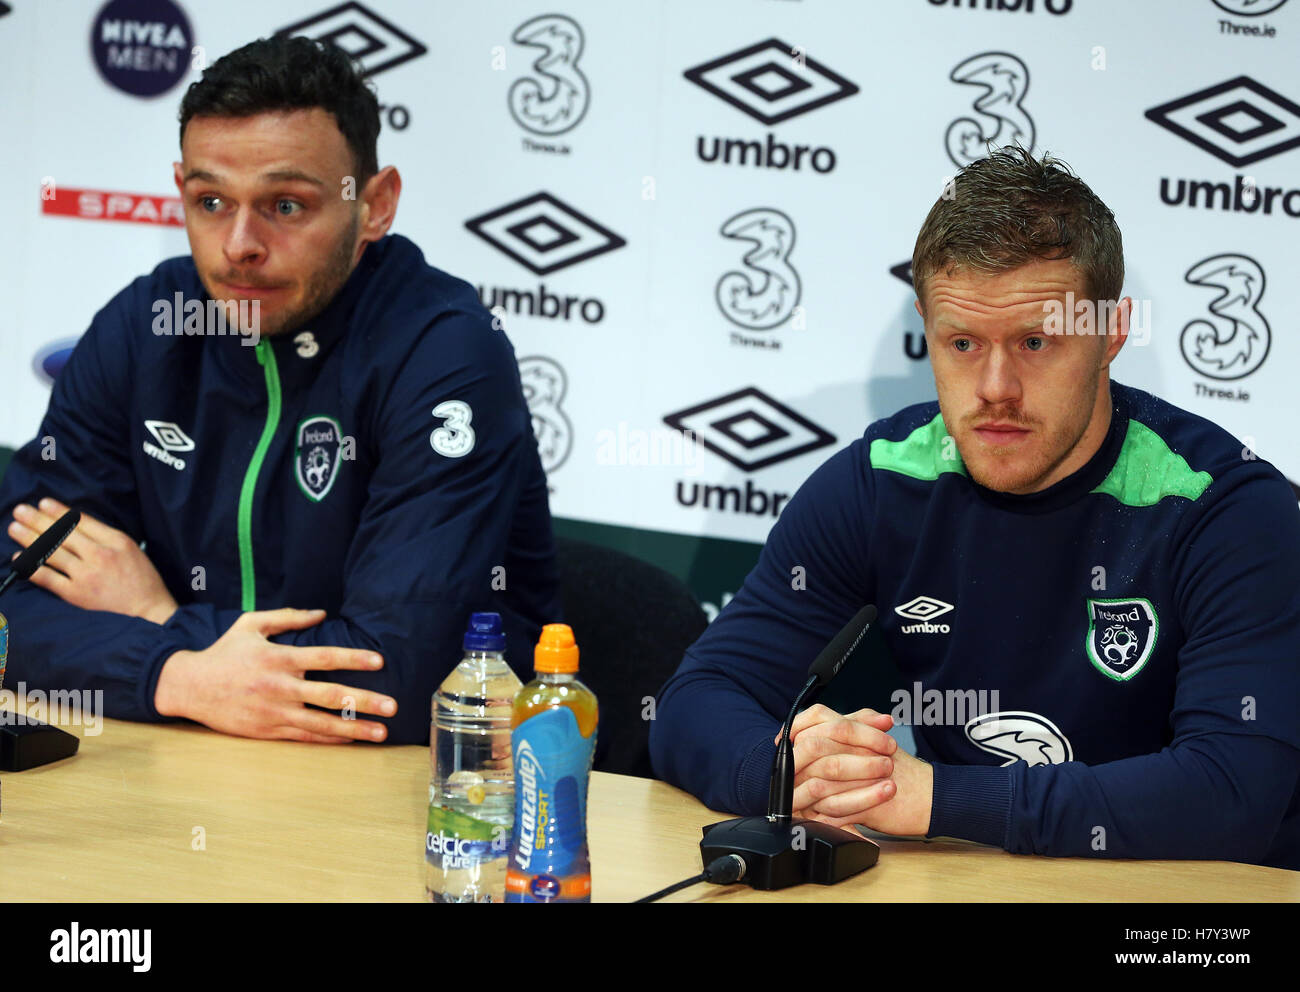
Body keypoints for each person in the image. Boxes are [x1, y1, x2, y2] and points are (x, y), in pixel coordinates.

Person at [650, 146, 1300, 869]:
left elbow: (1235, 793)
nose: (996, 387)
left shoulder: (1228, 510)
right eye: (962, 343)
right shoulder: (879, 482)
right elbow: (695, 702)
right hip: (981, 880)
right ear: (926, 330)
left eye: (1034, 343)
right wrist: (791, 771)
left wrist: (934, 800)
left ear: (1111, 335)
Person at [0, 36, 560, 745]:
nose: (239, 244)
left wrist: (155, 617)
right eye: (210, 201)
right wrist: (174, 674)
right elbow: (8, 607)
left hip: (407, 803)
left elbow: (401, 674)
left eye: (286, 206)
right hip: (185, 762)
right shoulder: (144, 326)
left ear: (376, 205)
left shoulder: (446, 352)